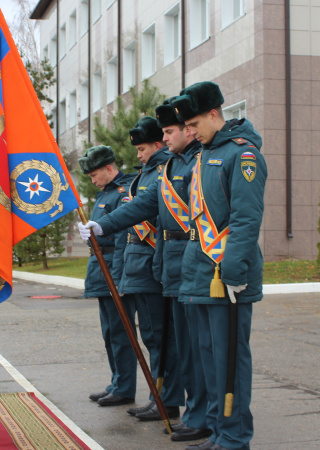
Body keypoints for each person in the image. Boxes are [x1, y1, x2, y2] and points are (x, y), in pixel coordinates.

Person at [78, 100, 212, 444]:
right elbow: (140, 211)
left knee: (177, 343)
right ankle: (167, 401)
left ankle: (174, 403)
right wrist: (103, 226)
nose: (140, 154)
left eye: (168, 133)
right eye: (164, 133)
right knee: (163, 340)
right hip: (159, 265)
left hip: (178, 264)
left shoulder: (185, 164)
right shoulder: (160, 171)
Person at [172, 81, 267, 450]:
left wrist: (233, 271)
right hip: (200, 274)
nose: (189, 132)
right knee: (210, 361)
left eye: (193, 124)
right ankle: (218, 431)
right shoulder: (205, 154)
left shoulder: (242, 155)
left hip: (226, 277)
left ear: (215, 114)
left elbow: (245, 220)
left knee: (229, 363)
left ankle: (234, 436)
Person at [121, 117, 184, 423]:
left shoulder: (164, 170)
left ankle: (166, 399)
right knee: (152, 338)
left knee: (161, 339)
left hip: (151, 268)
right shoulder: (144, 174)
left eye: (143, 147)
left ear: (158, 144)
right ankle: (157, 397)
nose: (138, 154)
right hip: (138, 268)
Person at [79, 145, 138, 407]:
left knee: (121, 331)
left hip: (115, 267)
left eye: (94, 175)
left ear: (109, 168)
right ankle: (117, 382)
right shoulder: (105, 195)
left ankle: (125, 387)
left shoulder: (124, 194)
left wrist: (119, 276)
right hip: (102, 269)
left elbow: (125, 235)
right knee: (109, 332)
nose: (92, 181)